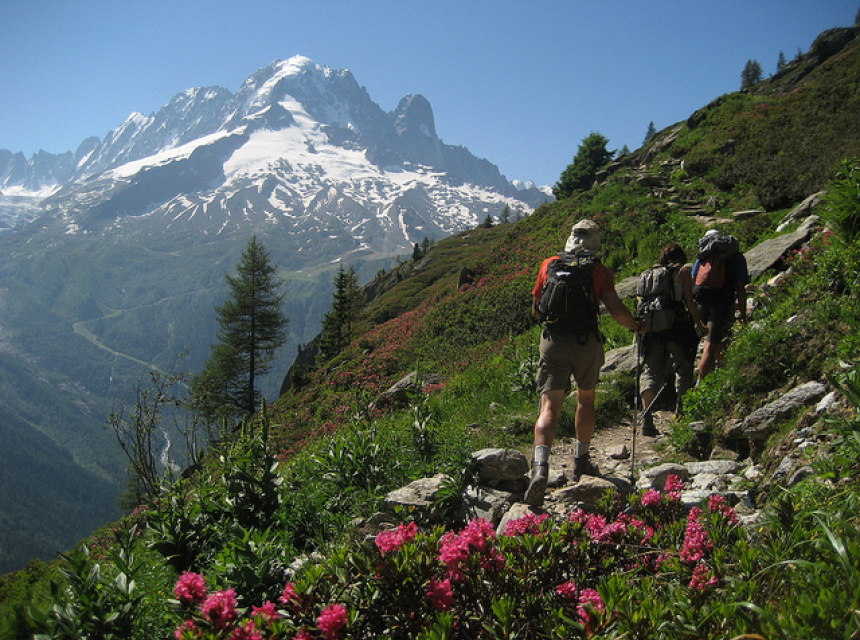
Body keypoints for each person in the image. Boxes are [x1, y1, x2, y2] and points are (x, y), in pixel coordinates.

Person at [524, 219, 643, 507]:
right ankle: (581, 460)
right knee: (585, 399)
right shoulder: (599, 270)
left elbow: (536, 307)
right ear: (594, 243)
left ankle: (540, 468)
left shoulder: (548, 264)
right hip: (585, 341)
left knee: (549, 404)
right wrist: (637, 326)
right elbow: (615, 310)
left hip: (553, 339)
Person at [638, 243, 708, 436]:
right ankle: (682, 414)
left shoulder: (650, 274)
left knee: (651, 371)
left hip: (653, 328)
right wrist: (700, 324)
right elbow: (689, 301)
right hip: (677, 327)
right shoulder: (683, 272)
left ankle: (646, 417)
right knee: (683, 369)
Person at [692, 229, 750, 384]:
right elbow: (740, 287)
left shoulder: (704, 256)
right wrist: (743, 314)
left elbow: (693, 281)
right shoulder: (736, 258)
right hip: (721, 303)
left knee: (713, 339)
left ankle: (720, 372)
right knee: (711, 343)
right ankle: (701, 384)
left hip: (701, 302)